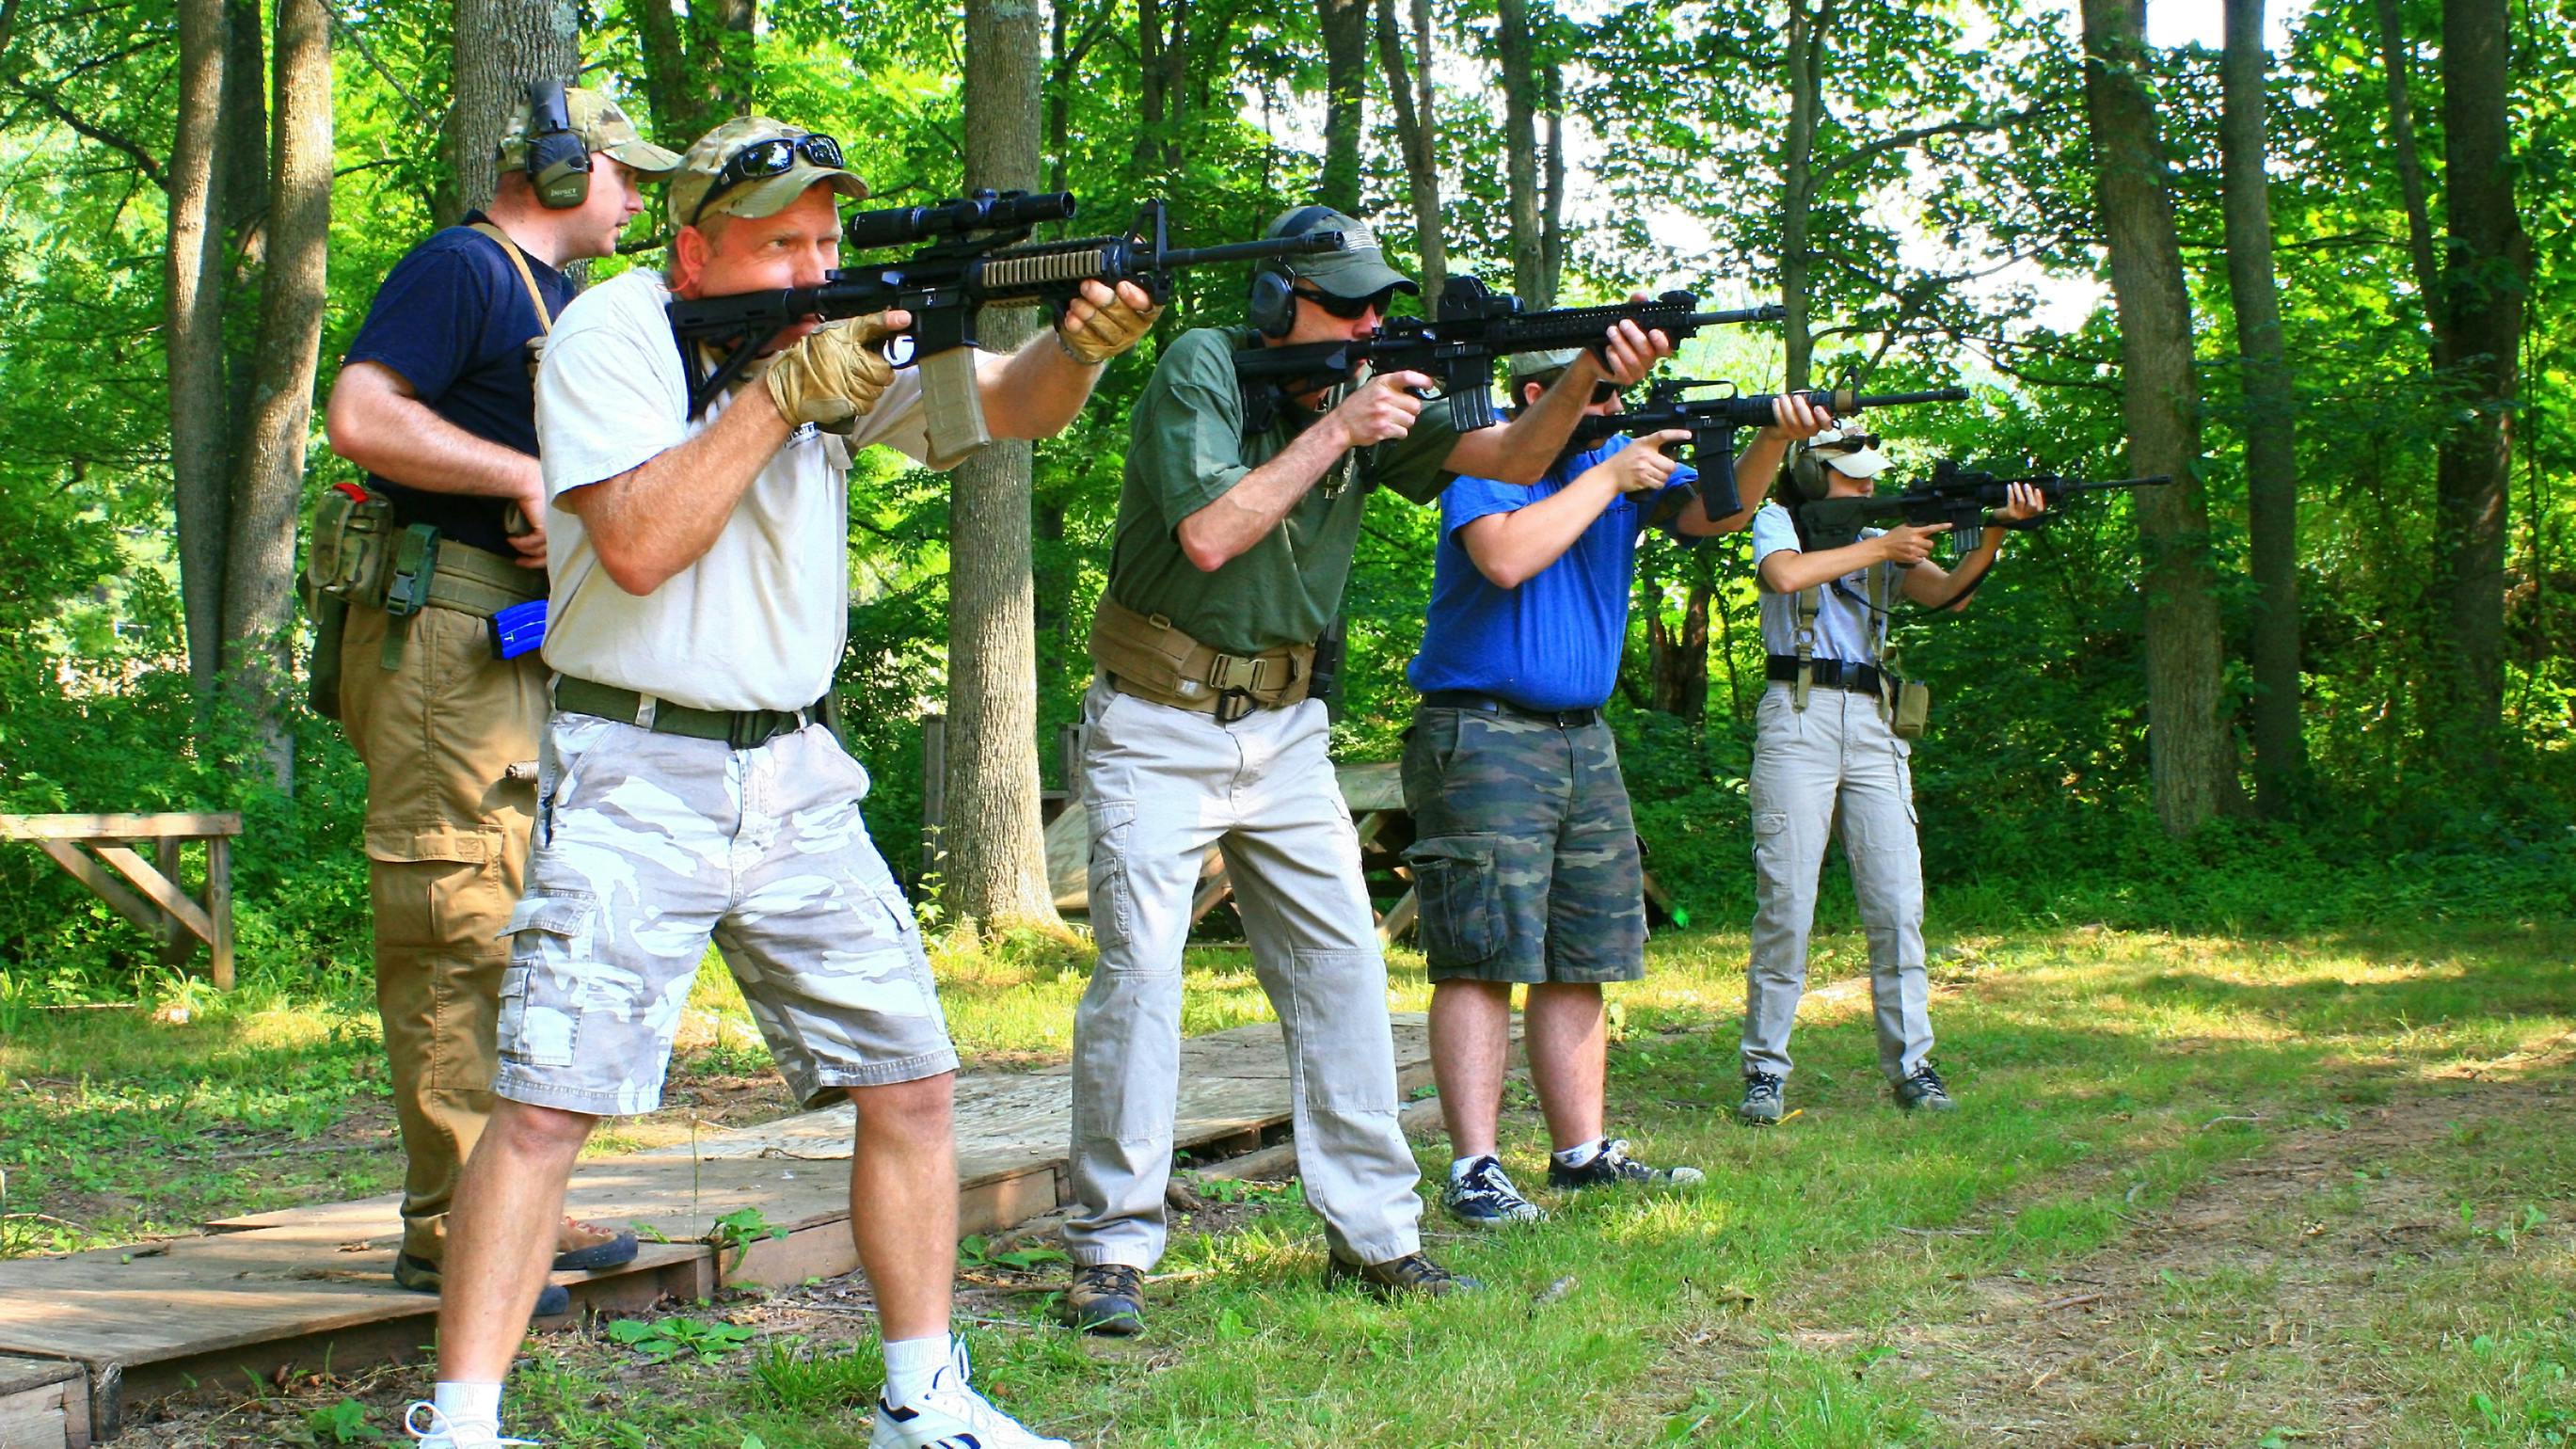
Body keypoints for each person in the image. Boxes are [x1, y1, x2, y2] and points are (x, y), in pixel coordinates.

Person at [401, 117, 1156, 1449]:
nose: (814, 268)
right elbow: (637, 545)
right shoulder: (614, 335)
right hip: (636, 762)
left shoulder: (830, 336)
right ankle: (461, 1427)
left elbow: (1008, 406)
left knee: (909, 1081)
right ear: (694, 254)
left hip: (796, 770)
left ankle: (922, 1399)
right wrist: (779, 393)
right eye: (780, 245)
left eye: (826, 241)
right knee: (545, 1108)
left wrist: (1081, 348)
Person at [1057, 207, 1675, 1336]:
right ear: (1272, 303)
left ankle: (1378, 1236)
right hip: (1156, 717)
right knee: (1140, 980)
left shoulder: (1365, 386)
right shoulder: (1205, 365)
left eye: (1377, 305)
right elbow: (1209, 533)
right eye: (1343, 305)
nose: (1366, 324)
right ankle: (1110, 1252)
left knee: (1342, 972)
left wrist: (1586, 375)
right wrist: (1341, 428)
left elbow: (1509, 458)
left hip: (1286, 727)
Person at [321, 86, 683, 1314]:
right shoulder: (463, 268)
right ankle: (453, 1226)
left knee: (517, 920)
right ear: (560, 170)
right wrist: (520, 474)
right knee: (456, 913)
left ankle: (504, 1203)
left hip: (514, 638)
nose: (638, 200)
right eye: (625, 174)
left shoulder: (562, 300)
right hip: (442, 635)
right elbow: (363, 416)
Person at [1404, 350, 1835, 1225]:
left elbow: (1719, 514)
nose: (1615, 409)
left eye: (1619, 397)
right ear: (1540, 393)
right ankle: (1475, 1168)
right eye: (1601, 394)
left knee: (1582, 949)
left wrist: (1766, 440)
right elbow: (1504, 559)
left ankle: (1581, 1154)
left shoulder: (1614, 460)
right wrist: (1607, 476)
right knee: (1483, 951)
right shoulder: (1490, 454)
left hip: (1582, 736)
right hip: (1482, 730)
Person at [1734, 426, 2043, 1126]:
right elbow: (1784, 576)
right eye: (1853, 474)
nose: (1869, 484)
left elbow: (1950, 595)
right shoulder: (1780, 519)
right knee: (1787, 903)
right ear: (1813, 476)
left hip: (1875, 720)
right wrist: (1884, 546)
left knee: (1897, 905)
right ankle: (1764, 1072)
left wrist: (1994, 532)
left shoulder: (1881, 535)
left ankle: (1913, 1067)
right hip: (1799, 713)